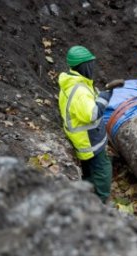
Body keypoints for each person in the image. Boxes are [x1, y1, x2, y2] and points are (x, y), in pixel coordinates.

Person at [58, 45, 113, 203]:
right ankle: (102, 201)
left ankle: (89, 194)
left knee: (90, 170)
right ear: (83, 66)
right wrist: (104, 98)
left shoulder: (72, 83)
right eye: (90, 64)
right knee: (103, 169)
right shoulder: (79, 91)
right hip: (89, 140)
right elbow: (92, 114)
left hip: (81, 138)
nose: (92, 67)